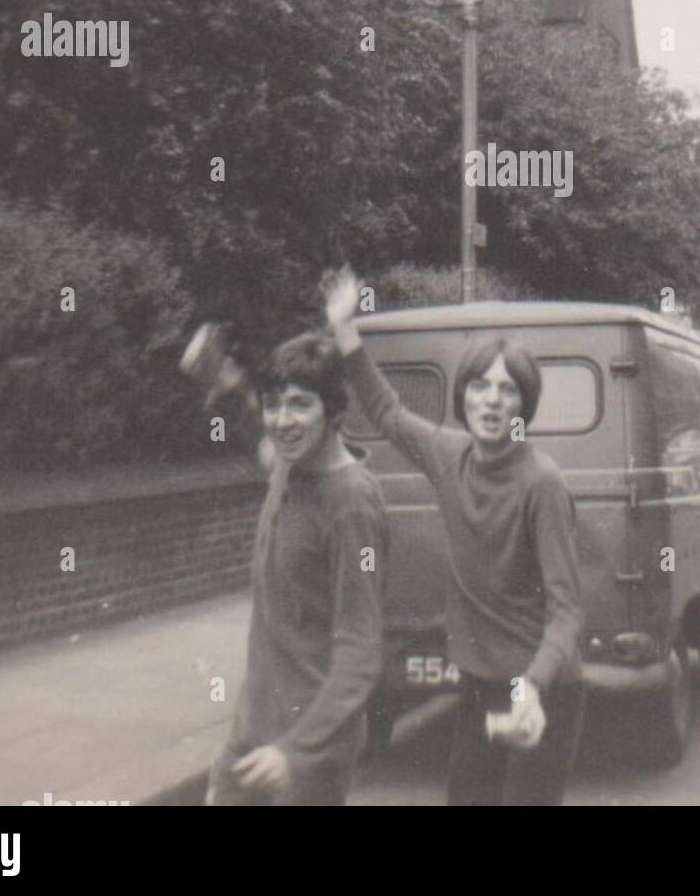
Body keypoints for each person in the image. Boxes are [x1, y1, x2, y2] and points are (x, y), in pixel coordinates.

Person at [323, 266, 584, 806]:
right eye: (480, 386)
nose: (491, 400)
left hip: (542, 688)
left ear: (523, 407)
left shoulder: (542, 483)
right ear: (464, 396)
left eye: (507, 390)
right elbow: (388, 412)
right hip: (481, 683)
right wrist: (345, 330)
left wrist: (533, 686)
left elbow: (567, 611)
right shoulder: (449, 455)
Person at [202, 329, 388, 806]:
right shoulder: (291, 467)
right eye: (273, 404)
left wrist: (298, 752)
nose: (282, 421)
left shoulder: (351, 504)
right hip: (254, 729)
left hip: (310, 748)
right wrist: (231, 385)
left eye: (300, 404)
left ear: (334, 410)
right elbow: (264, 441)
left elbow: (361, 651)